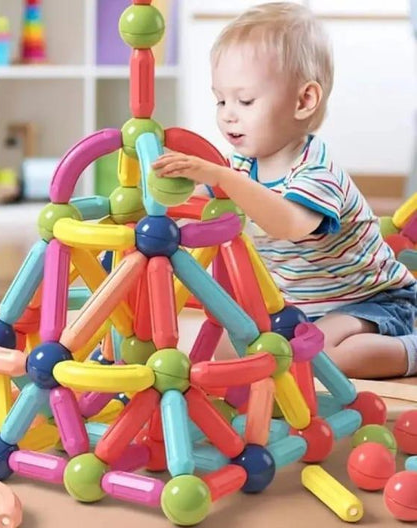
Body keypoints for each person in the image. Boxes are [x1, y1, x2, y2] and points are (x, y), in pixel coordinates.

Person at [152, 2, 417, 379]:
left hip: (370, 302)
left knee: (321, 358)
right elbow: (203, 207)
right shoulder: (241, 166)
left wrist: (222, 178)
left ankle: (409, 351)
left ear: (303, 101)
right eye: (221, 100)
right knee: (221, 349)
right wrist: (165, 200)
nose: (228, 113)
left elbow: (288, 223)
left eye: (245, 101)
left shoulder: (316, 171)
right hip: (295, 307)